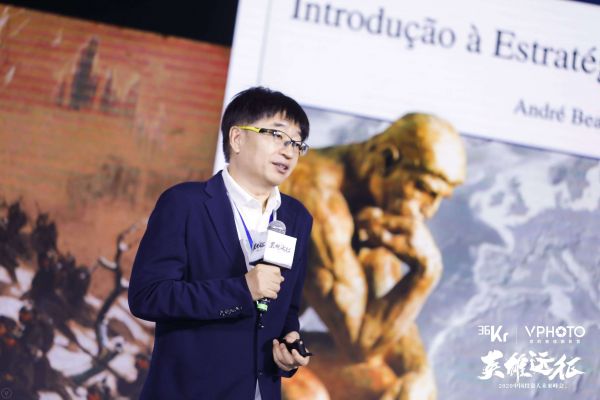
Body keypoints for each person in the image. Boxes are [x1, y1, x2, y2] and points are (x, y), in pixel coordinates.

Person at [128, 87, 313, 399]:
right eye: (277, 135)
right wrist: (242, 290)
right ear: (237, 138)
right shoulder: (185, 203)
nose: (289, 151)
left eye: (297, 143)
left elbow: (288, 307)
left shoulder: (297, 217)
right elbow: (148, 296)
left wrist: (288, 344)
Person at [280, 113, 466, 399]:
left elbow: (387, 314)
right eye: (424, 190)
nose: (429, 210)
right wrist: (426, 272)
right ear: (387, 160)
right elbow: (360, 343)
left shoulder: (374, 204)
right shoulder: (317, 198)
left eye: (440, 198)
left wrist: (418, 371)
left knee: (392, 384)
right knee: (307, 396)